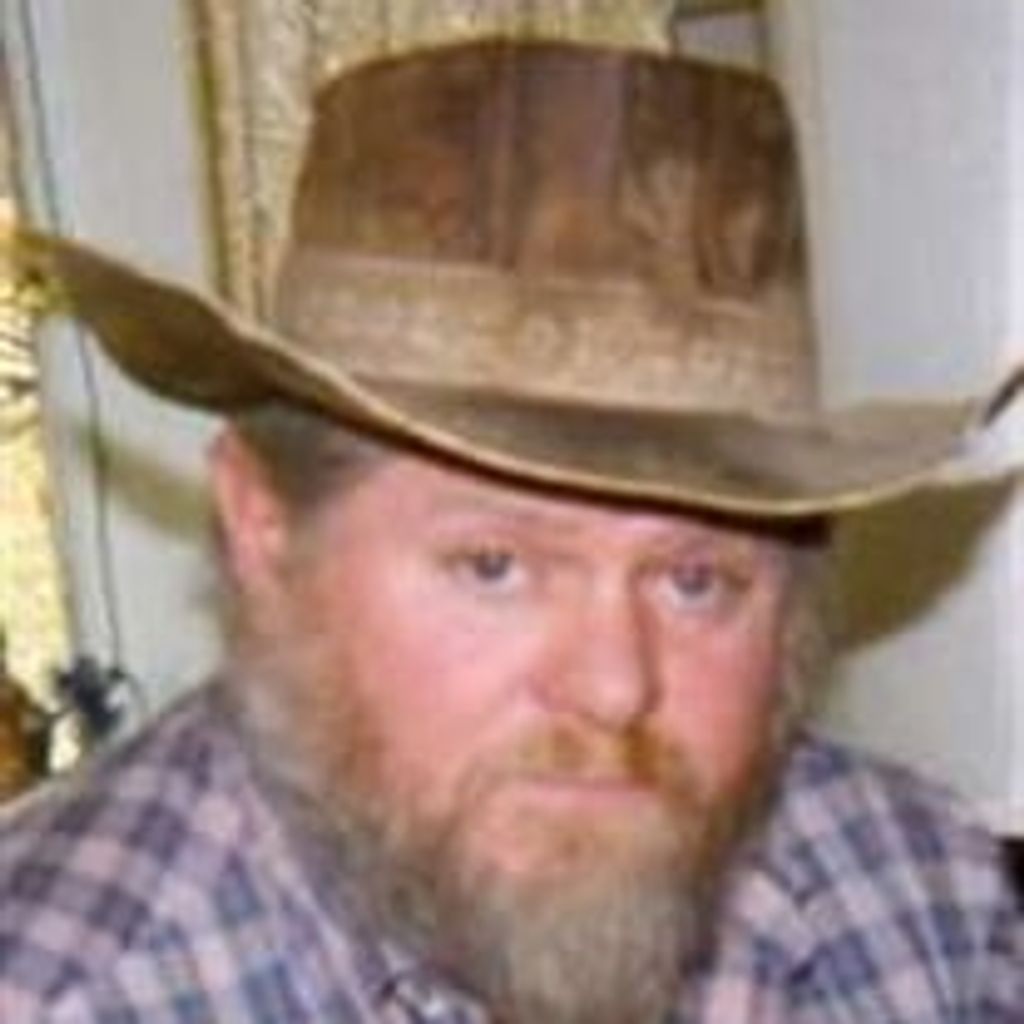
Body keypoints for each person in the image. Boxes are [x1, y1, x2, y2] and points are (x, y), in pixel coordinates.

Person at [1, 39, 1021, 1023]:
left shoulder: (928, 907)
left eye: (697, 581)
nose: (615, 688)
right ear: (264, 530)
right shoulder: (57, 992)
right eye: (495, 566)